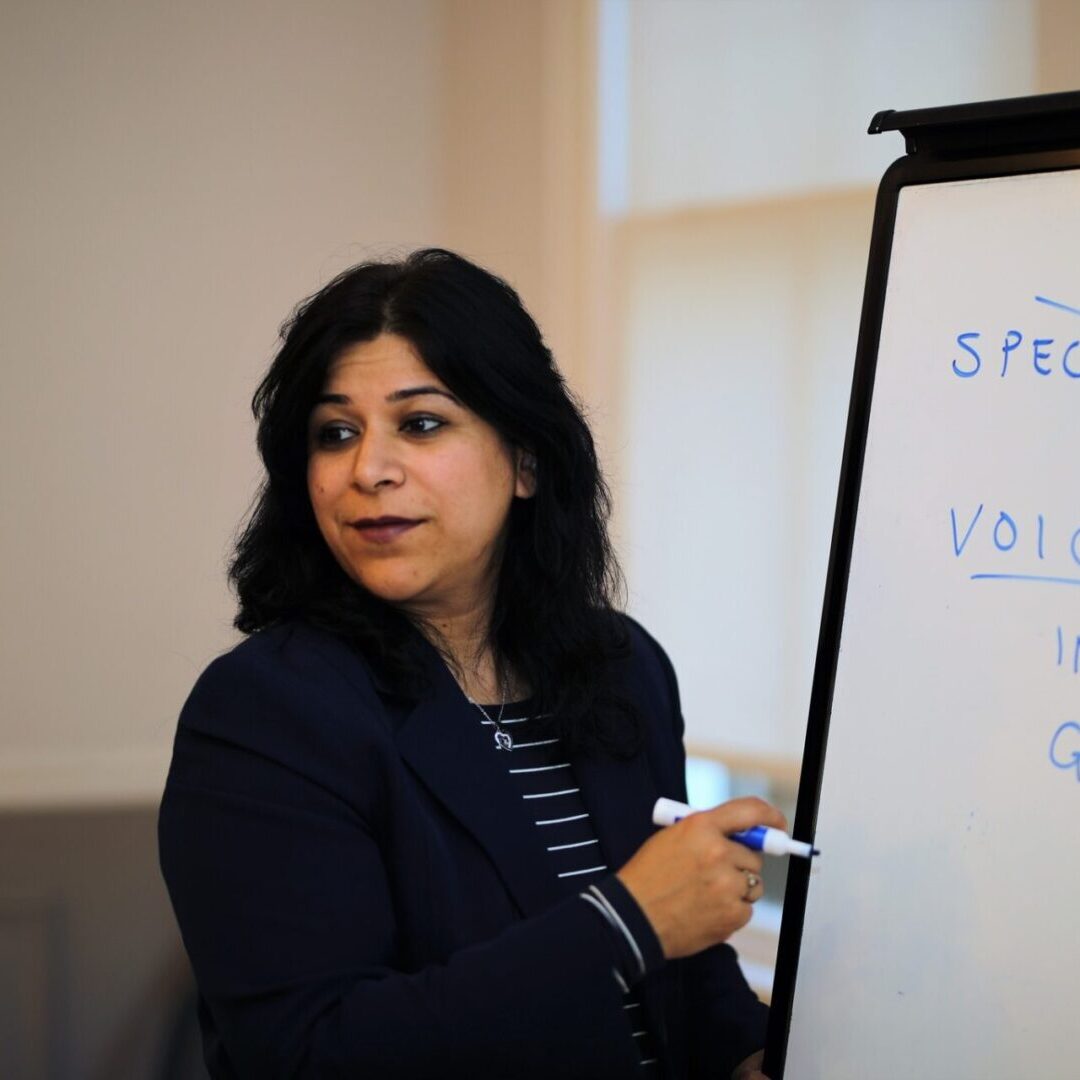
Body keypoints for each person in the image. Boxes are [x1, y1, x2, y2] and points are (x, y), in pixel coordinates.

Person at [158, 248, 787, 1079]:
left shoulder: (621, 666)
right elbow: (316, 1053)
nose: (368, 470)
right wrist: (627, 919)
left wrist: (754, 1051)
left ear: (526, 460)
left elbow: (687, 973)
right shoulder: (263, 712)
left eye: (420, 424)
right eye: (334, 433)